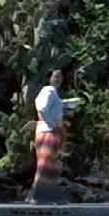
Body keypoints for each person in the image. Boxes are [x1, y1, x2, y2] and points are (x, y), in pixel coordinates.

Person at [28, 68, 72, 204]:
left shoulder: (50, 92)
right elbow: (42, 108)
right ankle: (36, 196)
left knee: (51, 165)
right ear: (49, 78)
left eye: (60, 76)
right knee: (45, 165)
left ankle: (52, 197)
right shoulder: (49, 90)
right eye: (55, 76)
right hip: (48, 131)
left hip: (46, 130)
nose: (58, 79)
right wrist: (54, 125)